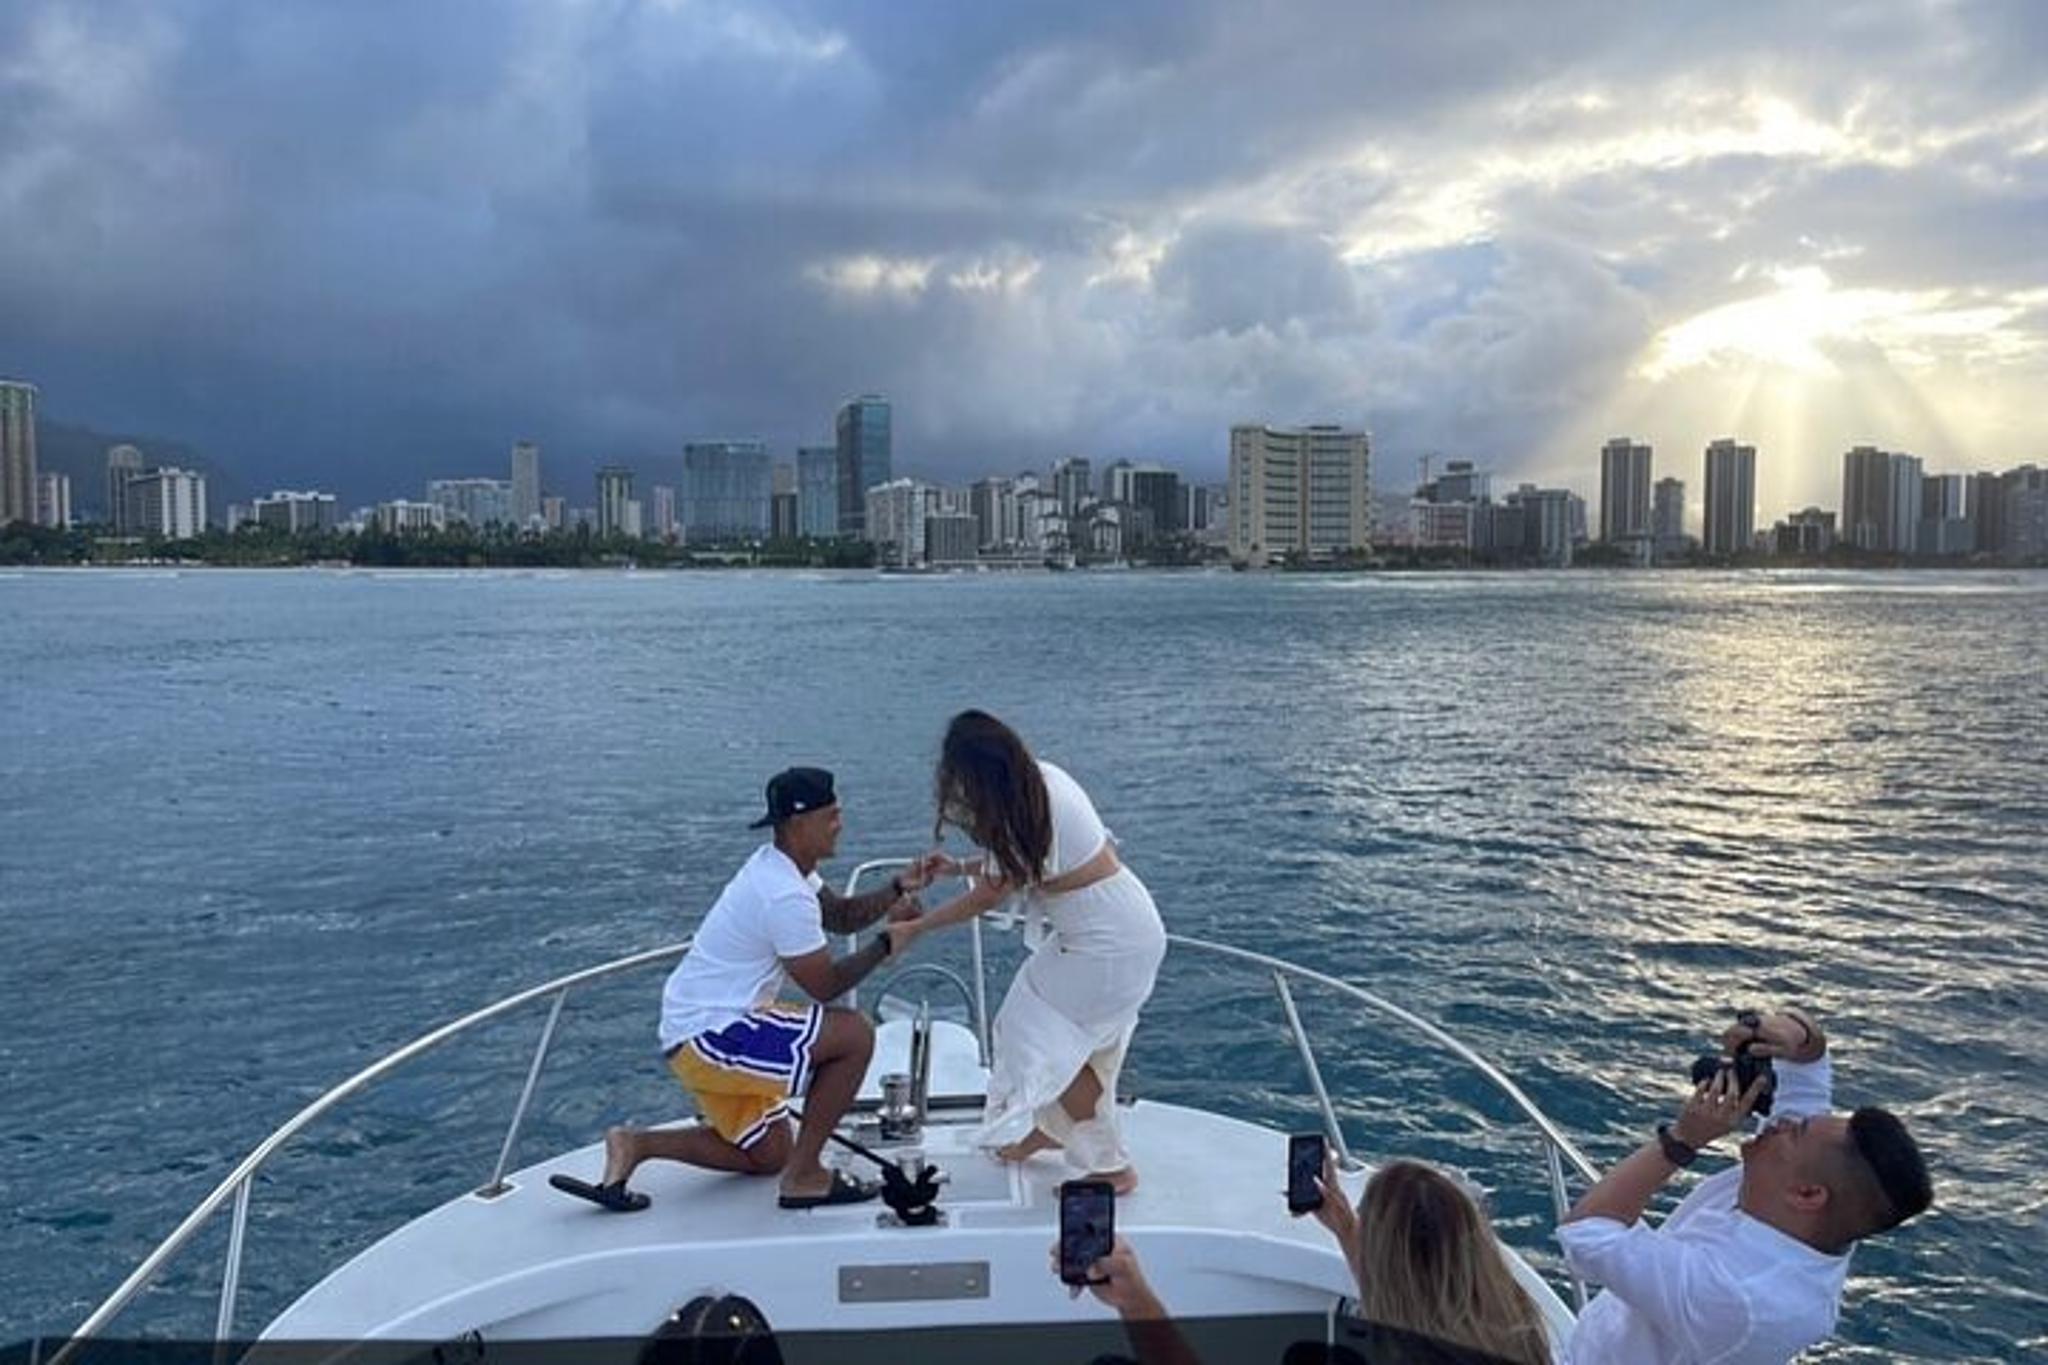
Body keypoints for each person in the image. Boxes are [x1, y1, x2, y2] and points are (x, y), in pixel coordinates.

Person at [550, 766, 927, 1212]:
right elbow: (824, 986)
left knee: (769, 1155)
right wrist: (888, 942)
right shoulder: (782, 894)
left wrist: (898, 886)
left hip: (691, 1028)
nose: (840, 823)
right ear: (798, 824)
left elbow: (841, 916)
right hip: (713, 1033)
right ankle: (805, 1177)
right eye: (832, 815)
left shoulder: (781, 868)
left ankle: (636, 1144)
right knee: (855, 1034)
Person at [888, 710, 1167, 1193]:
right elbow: (1022, 863)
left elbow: (991, 892)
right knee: (1063, 1035)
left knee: (1039, 1034)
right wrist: (957, 868)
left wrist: (918, 926)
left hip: (1106, 942)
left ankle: (1111, 1167)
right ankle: (1053, 1131)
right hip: (1116, 927)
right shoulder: (1041, 782)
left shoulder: (1028, 806)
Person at [1558, 1008, 1933, 1364]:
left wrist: (1680, 1142)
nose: (1780, 1121)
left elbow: (1585, 1231)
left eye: (1795, 1130)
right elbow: (1809, 1064)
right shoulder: (1805, 1202)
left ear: (1807, 1195)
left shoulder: (1742, 1296)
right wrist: (1790, 1031)